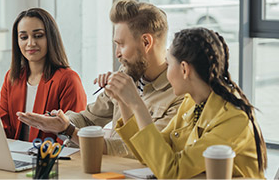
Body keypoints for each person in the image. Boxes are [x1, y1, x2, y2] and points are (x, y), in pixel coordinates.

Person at [17, 0, 183, 155]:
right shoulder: (128, 73)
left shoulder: (181, 93)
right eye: (115, 44)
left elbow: (139, 152)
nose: (117, 54)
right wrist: (59, 120)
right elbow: (88, 119)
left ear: (146, 43)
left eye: (121, 44)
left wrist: (68, 130)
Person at [109, 28, 266, 179]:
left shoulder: (234, 119)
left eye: (168, 65)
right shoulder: (192, 102)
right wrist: (124, 102)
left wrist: (137, 104)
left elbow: (171, 171)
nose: (166, 70)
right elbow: (153, 155)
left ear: (184, 69)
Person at [0, 8, 87, 141]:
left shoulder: (68, 80)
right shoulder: (12, 78)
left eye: (38, 36)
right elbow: (2, 129)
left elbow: (72, 137)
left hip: (54, 159)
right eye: (23, 37)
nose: (30, 43)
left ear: (50, 37)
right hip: (15, 157)